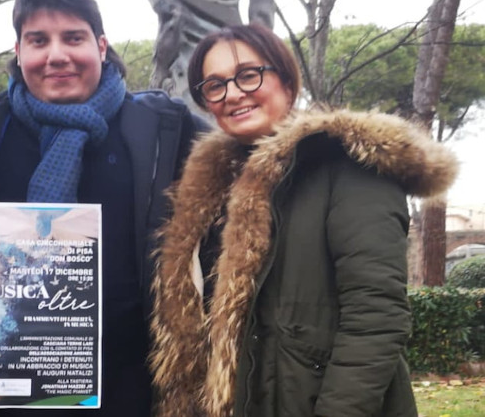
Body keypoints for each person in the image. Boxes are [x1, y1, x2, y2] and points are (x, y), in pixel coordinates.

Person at [149, 24, 458, 417]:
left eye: (248, 74)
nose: (232, 94)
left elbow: (376, 320)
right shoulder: (208, 189)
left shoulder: (349, 167)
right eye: (214, 85)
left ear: (286, 79)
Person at [0, 0, 208, 416]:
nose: (57, 55)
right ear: (19, 52)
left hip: (132, 384)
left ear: (101, 48)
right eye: (39, 40)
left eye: (73, 38)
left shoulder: (164, 125)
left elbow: (246, 158)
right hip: (2, 379)